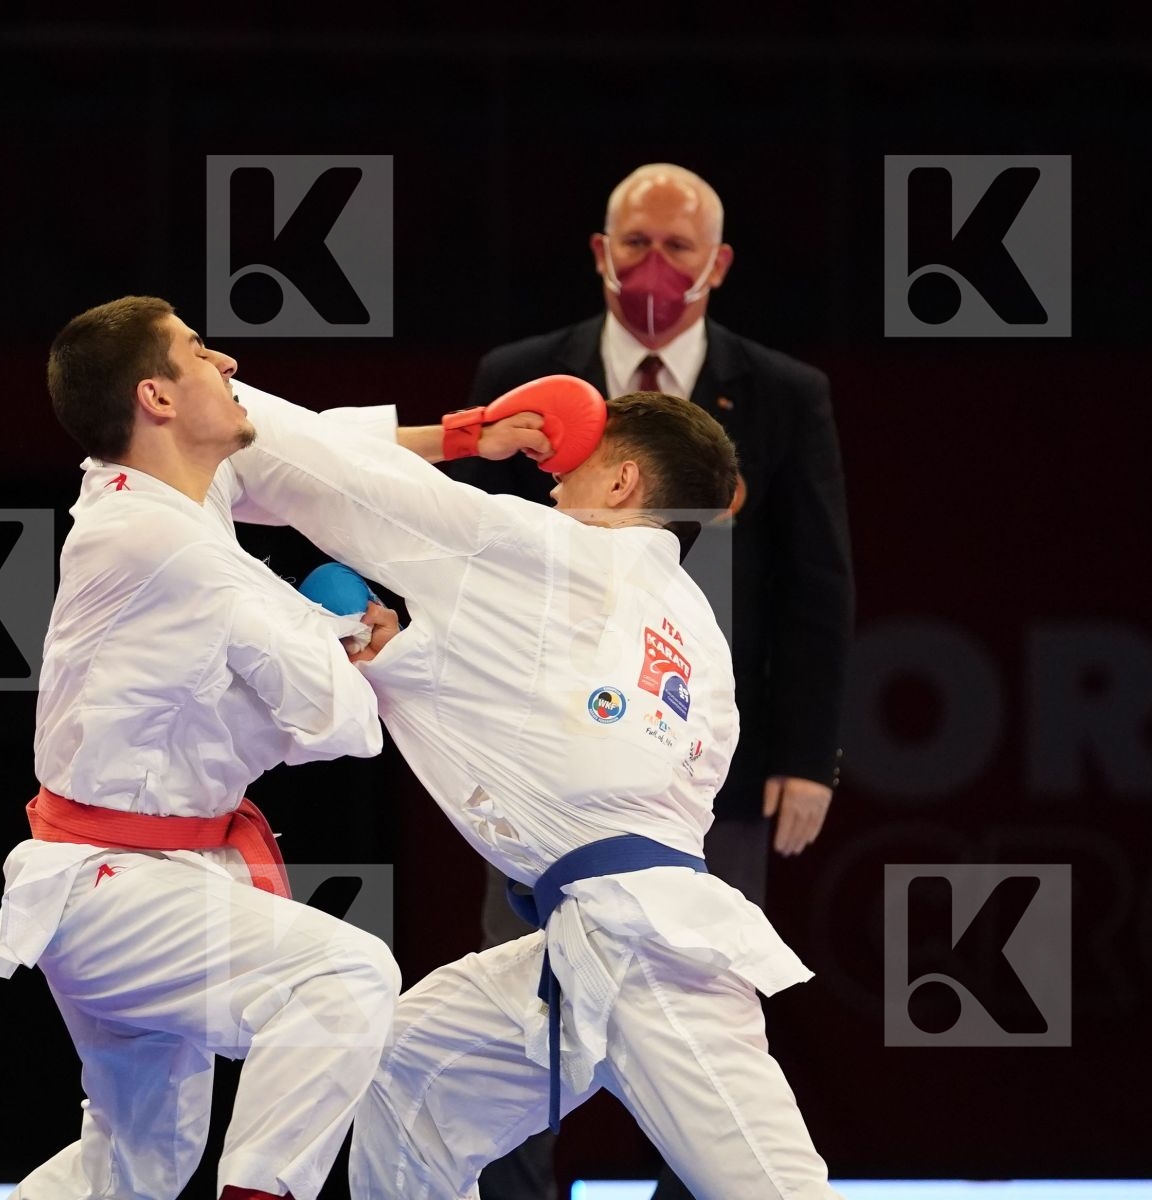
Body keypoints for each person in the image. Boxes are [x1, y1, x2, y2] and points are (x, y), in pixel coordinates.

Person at [219, 377, 840, 1200]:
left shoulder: (550, 552)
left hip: (651, 951)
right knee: (404, 1071)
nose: (552, 481)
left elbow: (338, 478)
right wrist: (405, 661)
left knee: (776, 1192)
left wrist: (214, 399)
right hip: (587, 939)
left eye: (576, 467)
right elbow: (566, 747)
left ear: (622, 484)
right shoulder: (697, 635)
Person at [448, 164, 854, 1200]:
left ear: (717, 265)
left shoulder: (782, 393)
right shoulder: (526, 375)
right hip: (547, 758)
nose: (655, 267)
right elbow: (463, 561)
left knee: (704, 1020)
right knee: (529, 1022)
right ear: (599, 251)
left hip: (709, 758)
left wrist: (808, 756)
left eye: (679, 249)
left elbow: (815, 583)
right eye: (635, 244)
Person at [0, 296, 402, 1200]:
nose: (231, 364)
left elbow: (314, 456)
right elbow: (345, 726)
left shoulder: (152, 499)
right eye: (202, 351)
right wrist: (351, 638)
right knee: (346, 973)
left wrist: (474, 433)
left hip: (128, 873)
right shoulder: (166, 542)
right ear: (157, 398)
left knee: (136, 1164)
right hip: (116, 889)